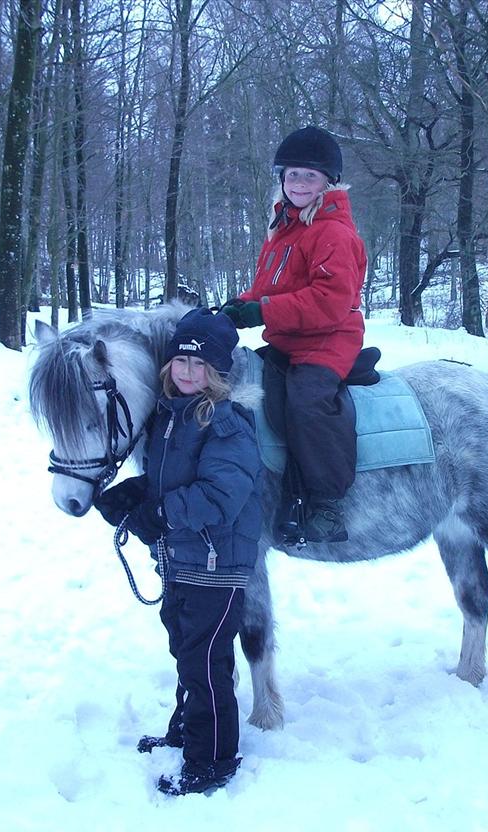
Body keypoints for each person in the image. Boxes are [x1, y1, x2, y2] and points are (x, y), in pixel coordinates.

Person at [95, 308, 262, 797]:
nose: (187, 372)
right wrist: (137, 494)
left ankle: (212, 760)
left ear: (216, 373)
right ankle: (187, 730)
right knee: (184, 650)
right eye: (180, 363)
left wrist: (163, 513)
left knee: (206, 660)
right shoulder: (171, 418)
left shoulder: (226, 424)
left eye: (199, 366)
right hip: (183, 560)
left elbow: (219, 496)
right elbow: (176, 479)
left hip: (217, 564)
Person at [220, 125, 367, 543]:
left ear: (329, 183)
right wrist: (236, 305)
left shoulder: (335, 233)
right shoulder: (285, 229)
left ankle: (326, 502)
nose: (299, 183)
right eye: (293, 175)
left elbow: (330, 301)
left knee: (307, 402)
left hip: (328, 339)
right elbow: (268, 290)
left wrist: (261, 311)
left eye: (310, 176)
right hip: (289, 338)